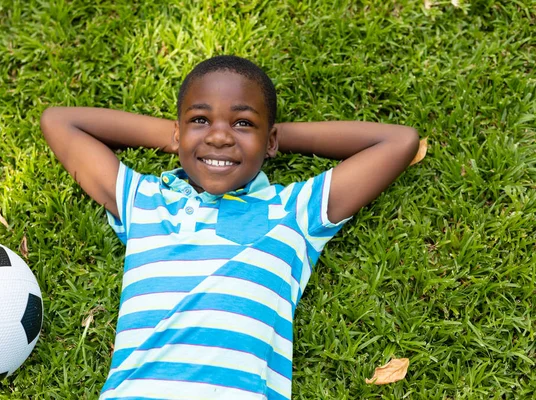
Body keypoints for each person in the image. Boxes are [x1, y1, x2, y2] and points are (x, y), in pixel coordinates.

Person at [41, 55, 419, 400]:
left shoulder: (292, 212)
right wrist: (181, 139)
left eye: (242, 123)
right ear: (178, 132)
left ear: (270, 139)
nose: (220, 136)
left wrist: (271, 138)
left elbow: (398, 141)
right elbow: (59, 121)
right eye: (200, 120)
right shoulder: (146, 201)